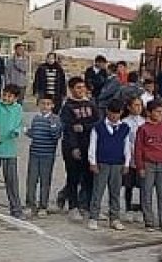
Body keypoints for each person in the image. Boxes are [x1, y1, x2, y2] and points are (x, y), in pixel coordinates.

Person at [87, 99, 132, 231]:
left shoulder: (125, 128)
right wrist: (93, 162)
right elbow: (92, 145)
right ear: (107, 112)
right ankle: (93, 217)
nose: (114, 116)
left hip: (117, 163)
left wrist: (127, 163)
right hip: (102, 163)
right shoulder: (98, 127)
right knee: (98, 191)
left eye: (117, 114)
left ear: (121, 113)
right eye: (112, 113)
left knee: (115, 192)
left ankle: (115, 218)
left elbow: (127, 147)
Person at [58, 77, 98, 220]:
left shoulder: (91, 104)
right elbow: (69, 128)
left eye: (82, 87)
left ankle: (86, 206)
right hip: (72, 147)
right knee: (73, 177)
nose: (81, 90)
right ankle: (73, 206)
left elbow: (97, 122)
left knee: (89, 178)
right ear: (71, 89)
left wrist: (84, 127)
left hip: (89, 146)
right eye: (78, 87)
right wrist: (74, 147)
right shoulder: (67, 107)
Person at [134, 101, 162, 231]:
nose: (160, 114)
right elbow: (138, 148)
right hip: (148, 164)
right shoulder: (143, 128)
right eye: (157, 111)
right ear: (149, 113)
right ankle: (149, 221)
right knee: (146, 193)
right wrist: (140, 166)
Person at [0, 84, 25, 218]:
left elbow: (20, 124)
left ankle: (16, 209)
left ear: (16, 98)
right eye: (4, 95)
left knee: (12, 181)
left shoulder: (18, 108)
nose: (6, 98)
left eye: (9, 96)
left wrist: (17, 132)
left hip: (9, 149)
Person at [25, 96, 62, 219]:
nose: (45, 106)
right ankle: (30, 204)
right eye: (43, 104)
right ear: (39, 105)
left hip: (47, 155)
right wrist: (27, 132)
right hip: (34, 153)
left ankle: (43, 206)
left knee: (45, 181)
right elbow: (34, 133)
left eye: (48, 104)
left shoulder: (56, 119)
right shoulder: (36, 118)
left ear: (52, 106)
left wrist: (52, 126)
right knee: (31, 180)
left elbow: (56, 136)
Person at [120, 95, 147, 222]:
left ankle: (142, 209)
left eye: (140, 105)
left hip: (142, 157)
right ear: (129, 107)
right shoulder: (124, 122)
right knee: (128, 184)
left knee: (143, 185)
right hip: (129, 156)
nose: (138, 108)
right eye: (135, 105)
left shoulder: (145, 122)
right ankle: (128, 208)